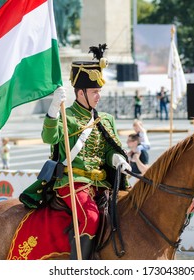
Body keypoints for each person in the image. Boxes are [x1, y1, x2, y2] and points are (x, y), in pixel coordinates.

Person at [21, 44, 131, 260]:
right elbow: (49, 138)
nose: (99, 96)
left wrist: (117, 158)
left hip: (102, 183)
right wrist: (52, 112)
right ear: (80, 93)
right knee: (90, 217)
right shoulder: (67, 116)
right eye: (94, 92)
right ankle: (79, 266)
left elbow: (110, 148)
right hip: (73, 181)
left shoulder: (105, 119)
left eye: (99, 91)